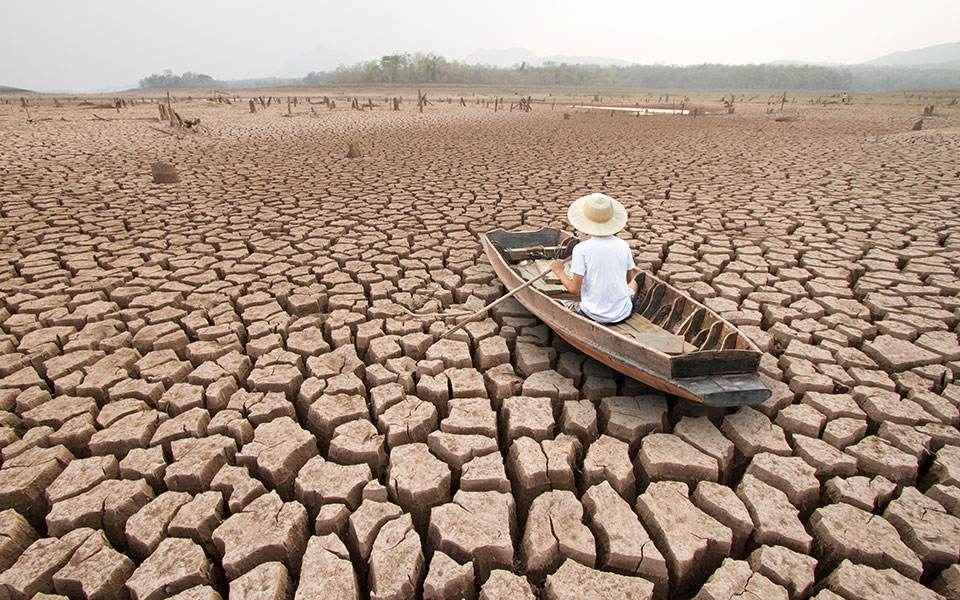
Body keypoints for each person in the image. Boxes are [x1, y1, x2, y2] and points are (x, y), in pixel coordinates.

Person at [550, 193, 638, 324]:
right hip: (624, 313)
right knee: (634, 284)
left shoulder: (582, 249)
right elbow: (627, 281)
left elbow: (574, 290)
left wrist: (559, 271)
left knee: (560, 303)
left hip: (593, 314)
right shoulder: (623, 245)